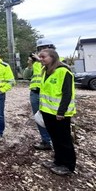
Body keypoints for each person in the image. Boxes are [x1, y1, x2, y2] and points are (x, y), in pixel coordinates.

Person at [37, 48, 76, 176]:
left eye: (43, 57)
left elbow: (67, 94)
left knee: (64, 139)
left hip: (60, 114)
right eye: (40, 57)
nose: (41, 59)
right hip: (48, 111)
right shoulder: (46, 71)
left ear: (52, 57)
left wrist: (61, 112)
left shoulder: (64, 71)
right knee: (55, 138)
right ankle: (58, 161)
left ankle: (68, 165)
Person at [29, 39, 56, 150]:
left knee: (52, 119)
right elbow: (26, 75)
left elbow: (51, 71)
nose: (41, 51)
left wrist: (40, 61)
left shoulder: (58, 61)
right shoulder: (36, 63)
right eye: (40, 49)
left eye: (44, 48)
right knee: (39, 118)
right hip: (35, 93)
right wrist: (30, 65)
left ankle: (57, 142)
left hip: (51, 95)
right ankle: (46, 141)